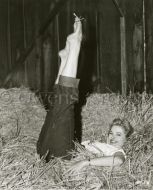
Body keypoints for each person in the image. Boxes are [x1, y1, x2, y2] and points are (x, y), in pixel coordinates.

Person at [37, 14, 83, 162]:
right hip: (51, 153)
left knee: (61, 107)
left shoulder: (118, 153)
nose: (113, 136)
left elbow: (119, 159)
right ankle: (69, 54)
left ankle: (71, 52)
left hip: (49, 155)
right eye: (115, 133)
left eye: (118, 135)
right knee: (59, 107)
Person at [66, 118, 133, 174]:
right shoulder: (104, 145)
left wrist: (85, 162)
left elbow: (118, 160)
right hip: (73, 146)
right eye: (111, 133)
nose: (113, 137)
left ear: (126, 139)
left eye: (118, 135)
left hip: (71, 151)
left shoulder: (117, 151)